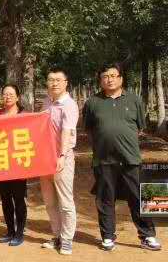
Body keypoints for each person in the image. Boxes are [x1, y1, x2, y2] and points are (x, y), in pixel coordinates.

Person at [83, 62, 161, 251]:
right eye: (105, 77)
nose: (109, 79)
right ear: (100, 80)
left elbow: (139, 128)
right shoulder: (92, 102)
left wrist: (123, 141)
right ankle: (108, 236)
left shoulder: (134, 100)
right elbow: (90, 129)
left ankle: (148, 235)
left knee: (140, 197)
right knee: (105, 199)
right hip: (103, 160)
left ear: (121, 78)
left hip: (131, 158)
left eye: (113, 75)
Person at [38, 69, 78, 255]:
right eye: (51, 80)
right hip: (45, 159)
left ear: (65, 83)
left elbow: (67, 132)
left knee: (65, 201)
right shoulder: (47, 102)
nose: (54, 83)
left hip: (62, 158)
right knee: (49, 201)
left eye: (58, 80)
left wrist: (61, 155)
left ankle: (67, 239)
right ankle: (57, 236)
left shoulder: (69, 105)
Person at [0, 84, 28, 248]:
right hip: (1, 162)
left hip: (18, 163)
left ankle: (19, 232)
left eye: (11, 94)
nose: (7, 97)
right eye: (5, 94)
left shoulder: (24, 115)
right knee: (5, 199)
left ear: (17, 97)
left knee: (19, 199)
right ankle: (10, 231)